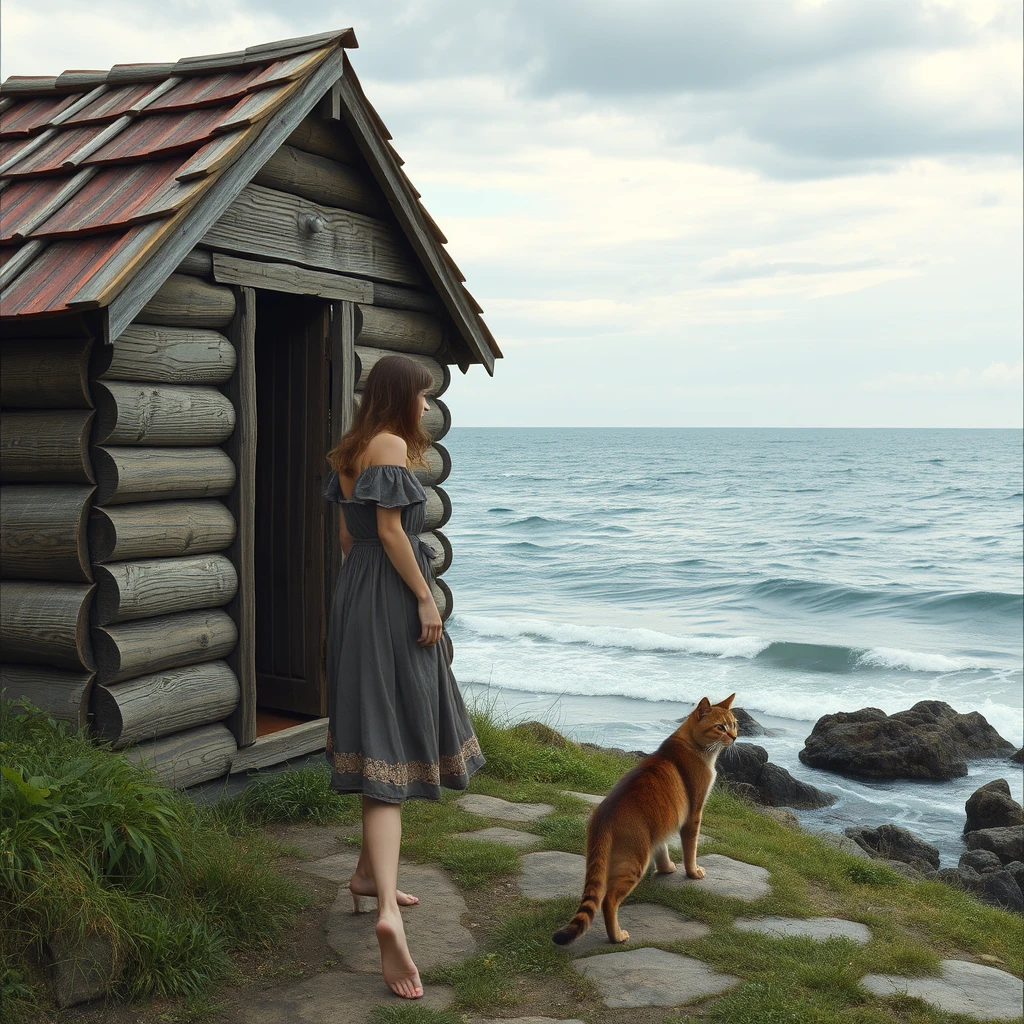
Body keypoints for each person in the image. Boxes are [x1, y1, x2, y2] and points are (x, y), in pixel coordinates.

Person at [322, 354, 485, 999]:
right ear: (400, 396)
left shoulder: (349, 448)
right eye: (422, 395)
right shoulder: (390, 445)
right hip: (390, 596)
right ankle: (388, 911)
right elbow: (391, 531)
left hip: (355, 596)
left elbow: (347, 540)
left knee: (372, 728)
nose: (426, 406)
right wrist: (422, 597)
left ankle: (368, 877)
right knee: (390, 741)